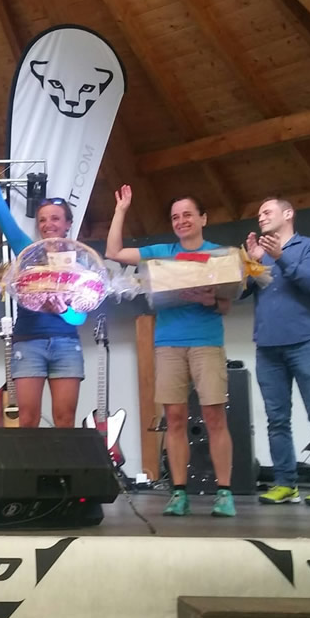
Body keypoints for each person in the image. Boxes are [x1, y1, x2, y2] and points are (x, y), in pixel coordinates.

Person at [106, 186, 235, 517]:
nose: (181, 221)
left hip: (207, 341)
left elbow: (226, 305)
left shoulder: (219, 255)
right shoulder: (162, 252)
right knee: (174, 419)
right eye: (176, 217)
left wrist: (209, 299)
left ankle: (225, 493)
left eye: (188, 215)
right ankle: (179, 492)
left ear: (203, 218)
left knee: (214, 417)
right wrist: (121, 210)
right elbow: (114, 252)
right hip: (168, 344)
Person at [0, 134, 85, 429]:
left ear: (68, 223)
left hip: (66, 343)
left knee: (65, 421)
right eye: (43, 220)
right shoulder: (26, 250)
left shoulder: (80, 260)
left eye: (55, 219)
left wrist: (63, 309)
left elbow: (81, 316)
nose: (48, 224)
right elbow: (0, 212)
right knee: (27, 422)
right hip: (28, 342)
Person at [245, 198, 310, 507]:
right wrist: (252, 262)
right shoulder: (260, 253)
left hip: (305, 343)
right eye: (259, 214)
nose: (261, 217)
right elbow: (242, 291)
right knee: (277, 420)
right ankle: (286, 484)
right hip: (267, 347)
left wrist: (280, 256)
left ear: (288, 214)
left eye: (267, 212)